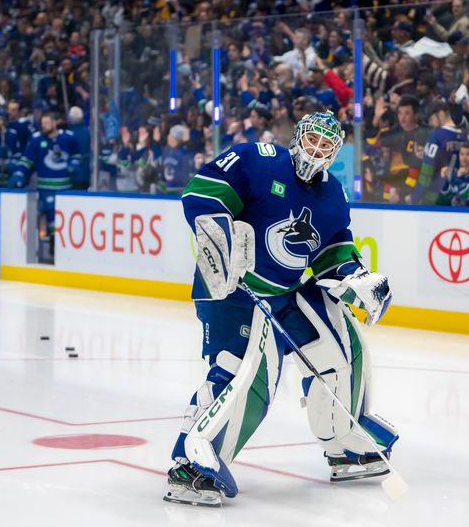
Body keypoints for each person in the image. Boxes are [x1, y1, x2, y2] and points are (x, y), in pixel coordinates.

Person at [166, 111, 398, 507]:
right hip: (232, 290)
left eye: (327, 145)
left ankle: (345, 441)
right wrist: (221, 238)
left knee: (340, 346)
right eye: (313, 140)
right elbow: (203, 192)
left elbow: (332, 255)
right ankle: (191, 462)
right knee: (239, 370)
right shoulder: (259, 160)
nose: (317, 150)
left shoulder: (333, 195)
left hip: (285, 293)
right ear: (298, 138)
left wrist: (359, 281)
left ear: (335, 152)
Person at [8, 111, 80, 258]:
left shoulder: (68, 138)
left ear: (55, 123)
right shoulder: (36, 140)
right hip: (46, 188)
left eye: (47, 123)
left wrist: (74, 164)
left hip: (65, 188)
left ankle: (64, 248)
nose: (44, 126)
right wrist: (19, 173)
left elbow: (77, 155)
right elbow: (27, 160)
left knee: (65, 220)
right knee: (51, 216)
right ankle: (54, 244)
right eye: (43, 123)